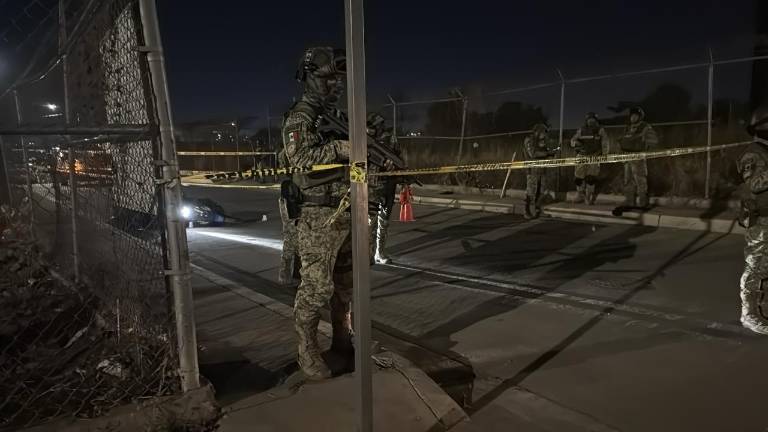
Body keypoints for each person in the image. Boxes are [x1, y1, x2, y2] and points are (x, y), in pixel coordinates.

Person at [282, 46, 352, 379]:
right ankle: (307, 350)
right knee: (317, 288)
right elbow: (299, 158)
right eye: (328, 79)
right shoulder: (302, 115)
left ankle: (343, 339)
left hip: (343, 209)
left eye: (337, 79)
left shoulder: (333, 115)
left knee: (346, 285)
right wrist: (342, 147)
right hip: (316, 215)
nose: (335, 85)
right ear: (311, 78)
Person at [736, 107, 768, 335]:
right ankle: (749, 315)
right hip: (761, 221)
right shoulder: (753, 153)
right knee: (756, 266)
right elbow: (754, 185)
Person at [366, 112, 398, 264]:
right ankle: (369, 254)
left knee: (383, 222)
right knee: (370, 223)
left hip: (387, 186)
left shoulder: (390, 139)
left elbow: (399, 159)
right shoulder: (364, 140)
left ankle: (379, 253)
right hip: (371, 186)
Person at [618, 107, 658, 208]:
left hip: (638, 157)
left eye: (635, 115)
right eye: (631, 115)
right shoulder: (627, 127)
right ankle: (629, 201)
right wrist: (621, 153)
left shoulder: (645, 127)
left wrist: (646, 146)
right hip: (627, 157)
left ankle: (643, 202)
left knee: (640, 179)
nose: (633, 117)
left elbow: (654, 141)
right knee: (628, 180)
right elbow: (621, 141)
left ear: (640, 117)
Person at [570, 112, 609, 205]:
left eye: (593, 119)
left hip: (594, 156)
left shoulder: (600, 130)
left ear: (596, 120)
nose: (591, 121)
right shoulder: (581, 130)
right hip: (582, 156)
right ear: (586, 120)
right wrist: (576, 143)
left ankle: (589, 196)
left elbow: (605, 142)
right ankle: (580, 195)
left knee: (591, 177)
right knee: (578, 177)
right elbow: (573, 140)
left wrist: (605, 154)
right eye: (589, 119)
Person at [523, 123, 557, 219]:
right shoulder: (529, 140)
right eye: (543, 132)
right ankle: (526, 211)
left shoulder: (542, 142)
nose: (544, 135)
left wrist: (552, 153)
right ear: (538, 132)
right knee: (531, 192)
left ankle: (538, 210)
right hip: (532, 170)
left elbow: (547, 152)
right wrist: (547, 153)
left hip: (542, 170)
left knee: (541, 191)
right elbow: (533, 153)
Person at [277, 149, 299, 285]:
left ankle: (292, 273)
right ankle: (285, 275)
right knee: (291, 237)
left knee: (295, 238)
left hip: (291, 194)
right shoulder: (288, 152)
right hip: (290, 197)